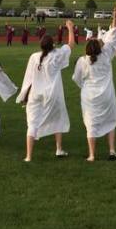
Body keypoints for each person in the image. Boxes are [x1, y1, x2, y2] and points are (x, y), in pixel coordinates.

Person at [16, 19, 76, 162]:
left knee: (32, 123)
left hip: (35, 95)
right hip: (52, 95)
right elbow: (71, 45)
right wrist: (70, 28)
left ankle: (29, 156)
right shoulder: (56, 56)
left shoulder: (34, 57)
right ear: (53, 45)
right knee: (58, 118)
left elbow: (28, 78)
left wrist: (24, 94)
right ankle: (58, 149)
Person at [72, 5, 116, 161]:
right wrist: (115, 17)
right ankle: (112, 151)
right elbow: (113, 35)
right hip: (106, 95)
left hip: (90, 97)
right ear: (100, 49)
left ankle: (92, 155)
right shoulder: (106, 55)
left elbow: (77, 78)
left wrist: (85, 88)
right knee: (110, 120)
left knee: (91, 123)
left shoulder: (82, 61)